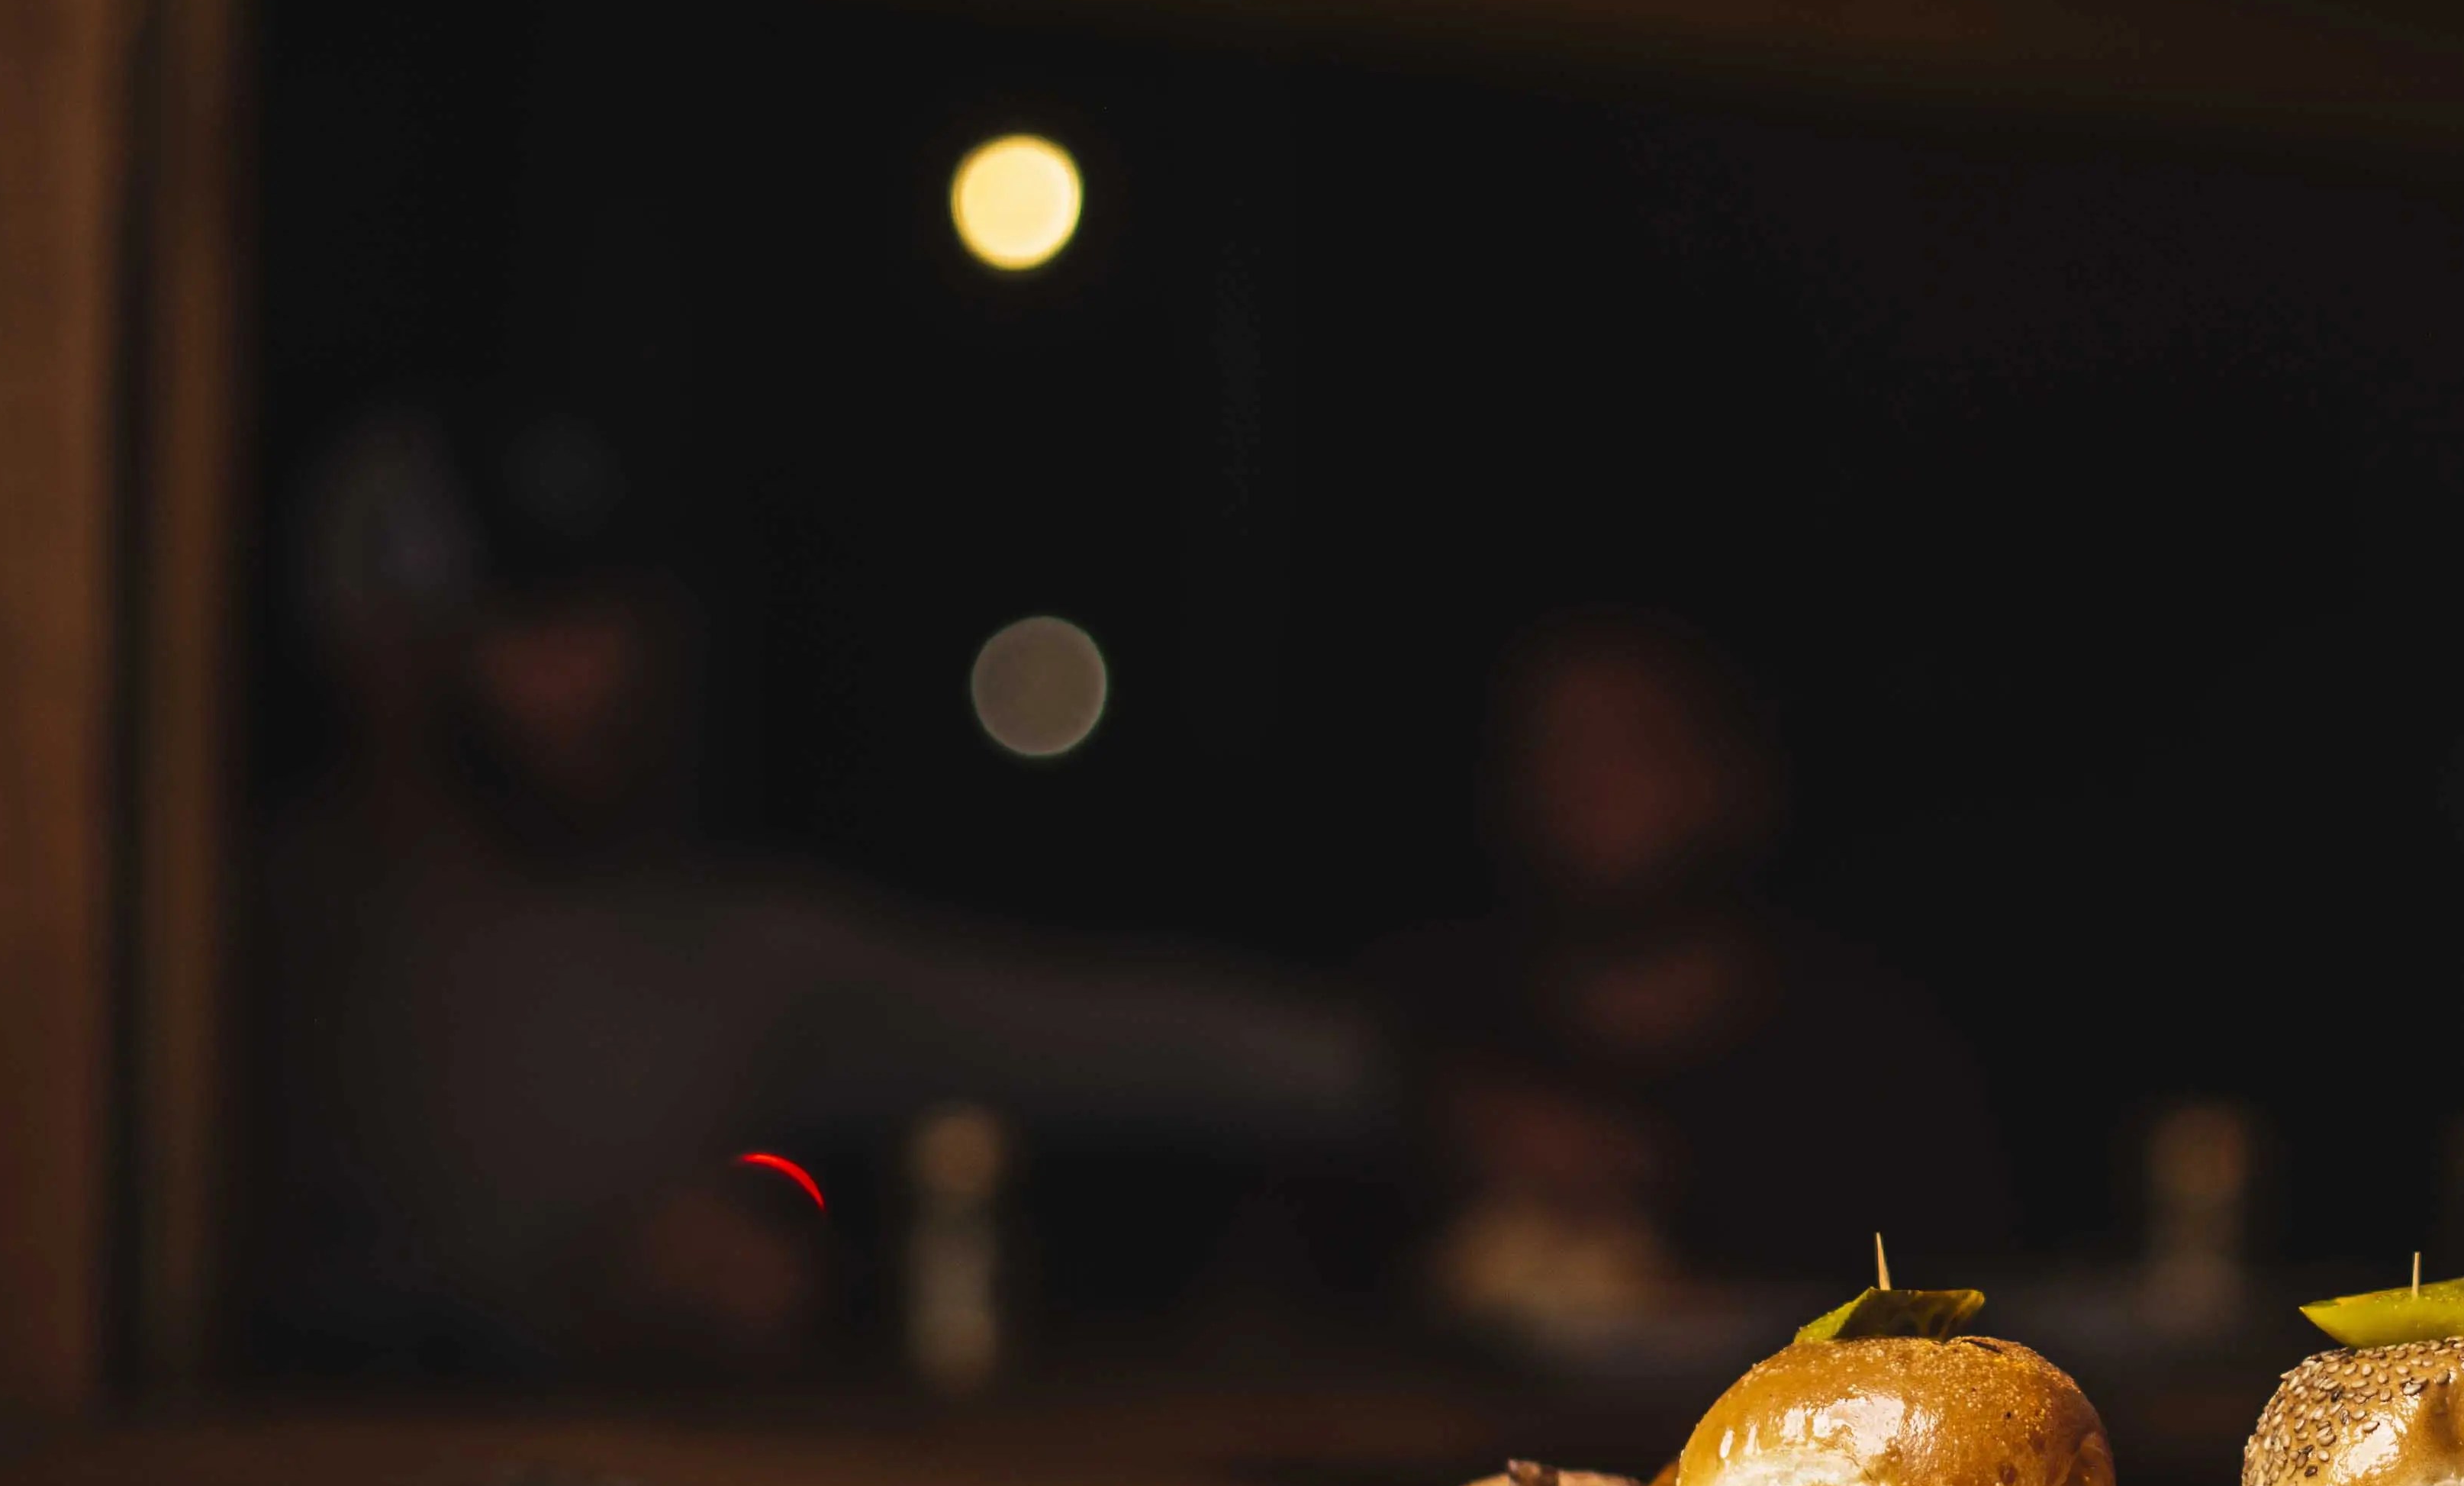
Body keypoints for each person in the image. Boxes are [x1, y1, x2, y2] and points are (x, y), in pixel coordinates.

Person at [256, 406, 1394, 1373]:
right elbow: (206, 1302)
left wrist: (1419, 1076)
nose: (610, 669)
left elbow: (1103, 1031)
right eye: (540, 623)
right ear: (384, 652)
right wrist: (565, 1306)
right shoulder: (242, 950)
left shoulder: (730, 953)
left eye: (625, 615)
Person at [1378, 613, 2013, 1336]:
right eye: (1556, 747)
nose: (1591, 785)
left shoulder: (1872, 1047)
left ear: (1736, 777)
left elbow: (1966, 1314)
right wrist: (1436, 1108)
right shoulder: (1427, 1020)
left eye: (1638, 745)